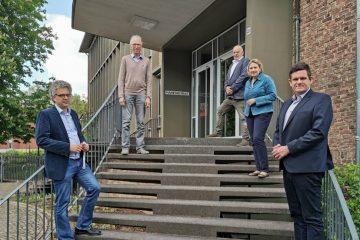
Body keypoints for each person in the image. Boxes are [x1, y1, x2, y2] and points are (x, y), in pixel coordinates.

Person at [272, 62, 333, 240]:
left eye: (303, 78)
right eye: (295, 79)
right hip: (288, 168)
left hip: (308, 167)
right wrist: (277, 145)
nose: (299, 82)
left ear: (310, 80)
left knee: (312, 218)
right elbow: (278, 130)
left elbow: (318, 132)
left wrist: (288, 148)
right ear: (290, 82)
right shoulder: (286, 104)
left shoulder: (321, 100)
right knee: (297, 216)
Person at [35, 80, 101, 239]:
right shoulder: (46, 115)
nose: (65, 98)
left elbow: (78, 134)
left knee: (94, 188)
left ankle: (82, 226)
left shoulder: (73, 113)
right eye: (61, 95)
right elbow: (41, 140)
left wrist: (84, 143)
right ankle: (65, 237)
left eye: (67, 95)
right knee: (62, 203)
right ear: (53, 97)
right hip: (62, 165)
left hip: (80, 162)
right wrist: (67, 147)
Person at [207, 45, 251, 146]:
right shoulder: (232, 65)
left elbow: (243, 76)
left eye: (237, 52)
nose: (235, 54)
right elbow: (227, 78)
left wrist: (233, 88)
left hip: (240, 96)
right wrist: (226, 87)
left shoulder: (245, 61)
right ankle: (218, 133)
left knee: (244, 118)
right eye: (234, 52)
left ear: (242, 52)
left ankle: (245, 140)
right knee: (220, 110)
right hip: (230, 97)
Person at [118, 35, 152, 155]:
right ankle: (125, 147)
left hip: (141, 95)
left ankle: (140, 147)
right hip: (127, 94)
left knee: (141, 122)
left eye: (138, 44)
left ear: (141, 46)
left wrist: (148, 97)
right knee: (126, 122)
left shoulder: (146, 60)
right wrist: (121, 95)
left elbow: (149, 80)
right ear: (131, 46)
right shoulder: (125, 59)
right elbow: (121, 79)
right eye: (134, 44)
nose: (136, 46)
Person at [244, 59, 277, 178]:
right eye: (251, 68)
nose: (253, 70)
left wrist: (256, 100)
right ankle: (258, 168)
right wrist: (245, 118)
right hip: (250, 114)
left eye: (255, 68)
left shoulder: (266, 79)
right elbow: (245, 101)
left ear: (260, 68)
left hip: (263, 112)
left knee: (258, 138)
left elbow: (273, 96)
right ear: (248, 71)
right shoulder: (248, 82)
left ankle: (264, 169)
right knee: (253, 140)